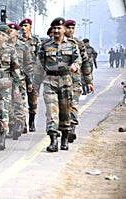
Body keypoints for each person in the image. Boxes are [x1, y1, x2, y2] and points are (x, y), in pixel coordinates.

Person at [38, 17, 81, 152]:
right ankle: (53, 140)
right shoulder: (45, 45)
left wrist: (75, 65)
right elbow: (39, 65)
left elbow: (78, 59)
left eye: (59, 28)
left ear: (64, 30)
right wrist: (35, 84)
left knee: (65, 112)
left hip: (66, 81)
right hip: (50, 81)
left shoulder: (72, 45)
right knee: (51, 111)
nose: (56, 31)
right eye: (54, 28)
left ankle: (64, 138)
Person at [64, 20, 94, 143]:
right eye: (68, 28)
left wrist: (89, 81)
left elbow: (85, 63)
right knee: (63, 106)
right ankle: (63, 128)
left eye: (72, 28)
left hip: (75, 80)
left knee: (73, 104)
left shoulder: (79, 44)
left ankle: (72, 128)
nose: (70, 30)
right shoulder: (58, 42)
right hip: (60, 80)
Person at [7, 22, 32, 140]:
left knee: (19, 103)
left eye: (12, 31)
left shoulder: (23, 46)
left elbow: (29, 65)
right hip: (5, 80)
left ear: (17, 32)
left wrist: (31, 81)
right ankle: (11, 126)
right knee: (8, 105)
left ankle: (19, 124)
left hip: (20, 80)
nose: (10, 33)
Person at [18, 18, 41, 133]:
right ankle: (23, 124)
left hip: (33, 74)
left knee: (33, 100)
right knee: (20, 100)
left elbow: (40, 58)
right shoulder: (17, 41)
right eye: (22, 26)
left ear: (30, 27)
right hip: (20, 74)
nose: (23, 28)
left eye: (26, 25)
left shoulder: (36, 42)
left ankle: (31, 120)